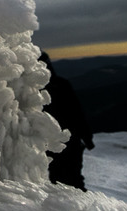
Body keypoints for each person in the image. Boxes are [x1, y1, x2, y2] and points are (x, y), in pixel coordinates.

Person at [40, 51, 95, 191]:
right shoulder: (61, 84)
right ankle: (78, 206)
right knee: (72, 178)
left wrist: (87, 137)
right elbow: (77, 112)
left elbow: (76, 112)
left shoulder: (34, 90)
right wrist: (87, 137)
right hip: (70, 140)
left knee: (58, 178)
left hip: (52, 143)